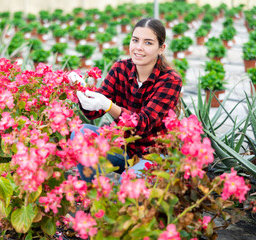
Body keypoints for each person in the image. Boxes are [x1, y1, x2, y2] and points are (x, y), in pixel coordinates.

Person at [69, 17, 182, 182]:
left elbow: (143, 124)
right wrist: (81, 91)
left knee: (128, 182)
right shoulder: (120, 68)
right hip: (125, 148)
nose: (138, 48)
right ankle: (89, 192)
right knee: (80, 133)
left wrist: (109, 106)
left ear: (161, 48)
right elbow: (94, 112)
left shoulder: (170, 79)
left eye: (148, 43)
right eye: (135, 40)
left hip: (156, 154)